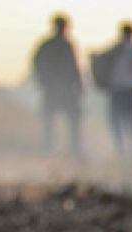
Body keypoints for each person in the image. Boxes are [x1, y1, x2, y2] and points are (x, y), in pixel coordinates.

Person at [32, 14, 83, 158]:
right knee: (65, 120)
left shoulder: (48, 45)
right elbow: (74, 67)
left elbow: (37, 63)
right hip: (61, 88)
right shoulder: (62, 45)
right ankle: (67, 149)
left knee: (53, 119)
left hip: (56, 88)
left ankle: (61, 149)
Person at [96, 22, 132, 156]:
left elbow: (101, 60)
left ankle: (121, 150)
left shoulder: (116, 49)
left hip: (117, 90)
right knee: (131, 121)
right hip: (131, 91)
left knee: (116, 121)